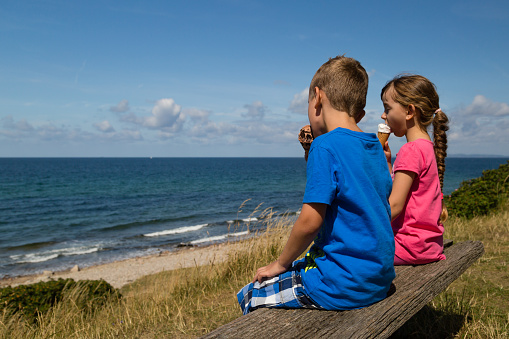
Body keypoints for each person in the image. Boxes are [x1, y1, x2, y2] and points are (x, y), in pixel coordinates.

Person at [237, 55, 395, 315]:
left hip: (341, 283)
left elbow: (310, 222)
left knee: (251, 294)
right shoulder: (376, 149)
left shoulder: (326, 145)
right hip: (378, 278)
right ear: (360, 112)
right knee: (298, 269)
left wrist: (280, 263)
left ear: (318, 97)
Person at [380, 74, 449, 265]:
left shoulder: (410, 150)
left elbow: (394, 206)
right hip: (429, 246)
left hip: (406, 246)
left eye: (387, 109)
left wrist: (362, 223)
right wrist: (388, 164)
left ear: (410, 111)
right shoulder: (427, 147)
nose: (383, 116)